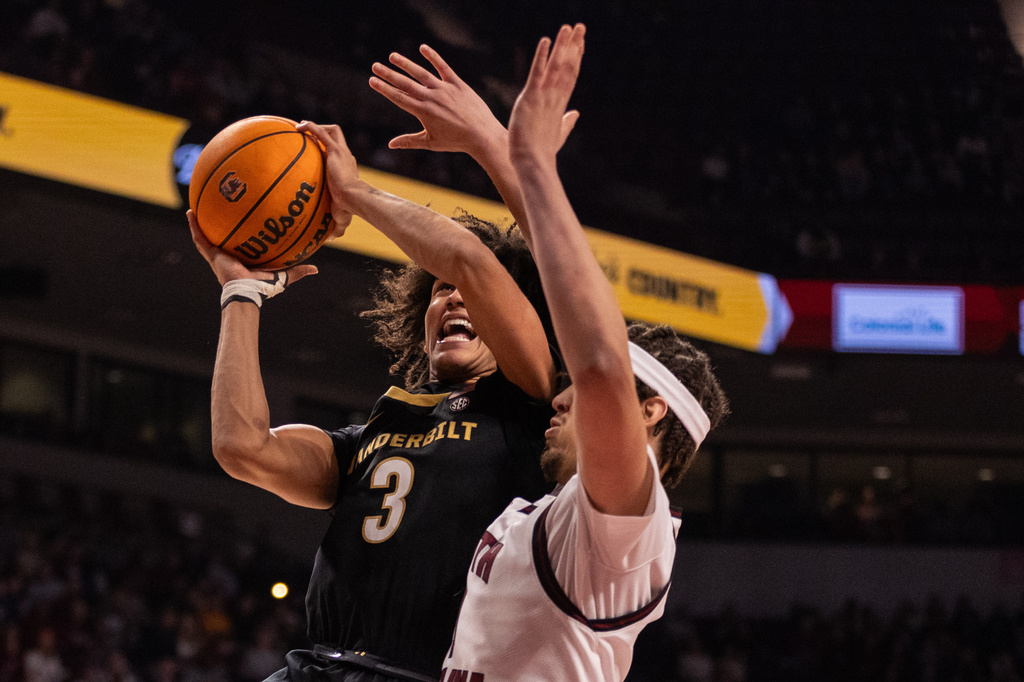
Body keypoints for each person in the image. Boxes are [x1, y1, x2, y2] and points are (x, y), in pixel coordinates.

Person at [188, 115, 562, 679]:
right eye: (440, 291)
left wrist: (355, 193)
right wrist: (241, 293)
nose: (456, 299)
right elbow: (241, 446)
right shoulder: (377, 433)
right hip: (314, 667)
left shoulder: (534, 405)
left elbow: (470, 263)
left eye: (473, 295)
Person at [434, 25, 729, 681]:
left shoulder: (626, 523)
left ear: (648, 411)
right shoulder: (570, 509)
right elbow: (573, 313)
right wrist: (494, 148)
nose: (560, 394)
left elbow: (598, 366)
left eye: (586, 391)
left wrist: (537, 165)